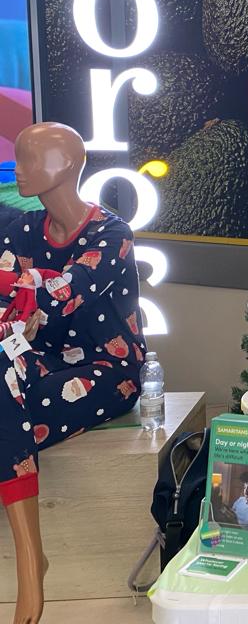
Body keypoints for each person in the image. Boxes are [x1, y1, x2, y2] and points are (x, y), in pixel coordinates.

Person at [0, 122, 145, 624]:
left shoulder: (111, 234)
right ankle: (31, 558)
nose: (16, 169)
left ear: (63, 166)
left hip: (107, 370)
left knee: (4, 415)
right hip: (36, 365)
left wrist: (12, 282)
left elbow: (62, 293)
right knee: (4, 399)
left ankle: (27, 564)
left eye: (26, 159)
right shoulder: (19, 230)